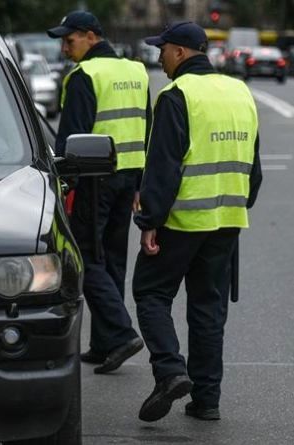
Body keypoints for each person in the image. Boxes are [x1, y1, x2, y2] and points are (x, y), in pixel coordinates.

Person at [133, 21, 262, 422]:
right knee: (208, 310)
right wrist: (237, 205)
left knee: (150, 293)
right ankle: (207, 400)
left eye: (163, 50)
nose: (159, 57)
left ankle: (170, 371)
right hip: (227, 219)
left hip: (181, 221)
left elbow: (163, 167)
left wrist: (150, 220)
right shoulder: (241, 91)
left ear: (180, 52)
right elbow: (254, 170)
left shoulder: (177, 95)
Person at [47, 11, 150, 374]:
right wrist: (139, 182)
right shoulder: (136, 71)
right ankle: (106, 343)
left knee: (86, 258)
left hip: (94, 178)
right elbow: (144, 127)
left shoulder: (84, 76)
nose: (64, 47)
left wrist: (61, 183)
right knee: (112, 259)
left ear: (91, 36)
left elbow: (71, 138)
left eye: (69, 39)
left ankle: (121, 335)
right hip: (127, 176)